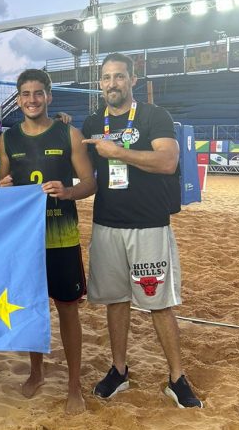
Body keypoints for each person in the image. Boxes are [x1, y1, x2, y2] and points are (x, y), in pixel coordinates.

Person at [82, 52, 203, 409]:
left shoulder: (154, 116)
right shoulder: (92, 122)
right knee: (116, 301)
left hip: (149, 224)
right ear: (100, 84)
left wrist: (118, 151)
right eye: (106, 78)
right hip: (107, 225)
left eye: (119, 77)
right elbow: (89, 180)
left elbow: (167, 161)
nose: (112, 84)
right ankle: (119, 370)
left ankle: (177, 377)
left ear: (133, 80)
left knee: (158, 303)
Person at [0, 68, 95, 414]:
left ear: (49, 97)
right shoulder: (8, 138)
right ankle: (36, 372)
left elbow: (89, 183)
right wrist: (2, 189)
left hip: (62, 237)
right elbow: (2, 187)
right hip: (27, 241)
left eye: (38, 93)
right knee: (33, 309)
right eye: (25, 93)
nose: (32, 99)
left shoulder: (69, 133)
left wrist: (68, 192)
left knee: (67, 309)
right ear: (18, 98)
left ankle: (74, 387)